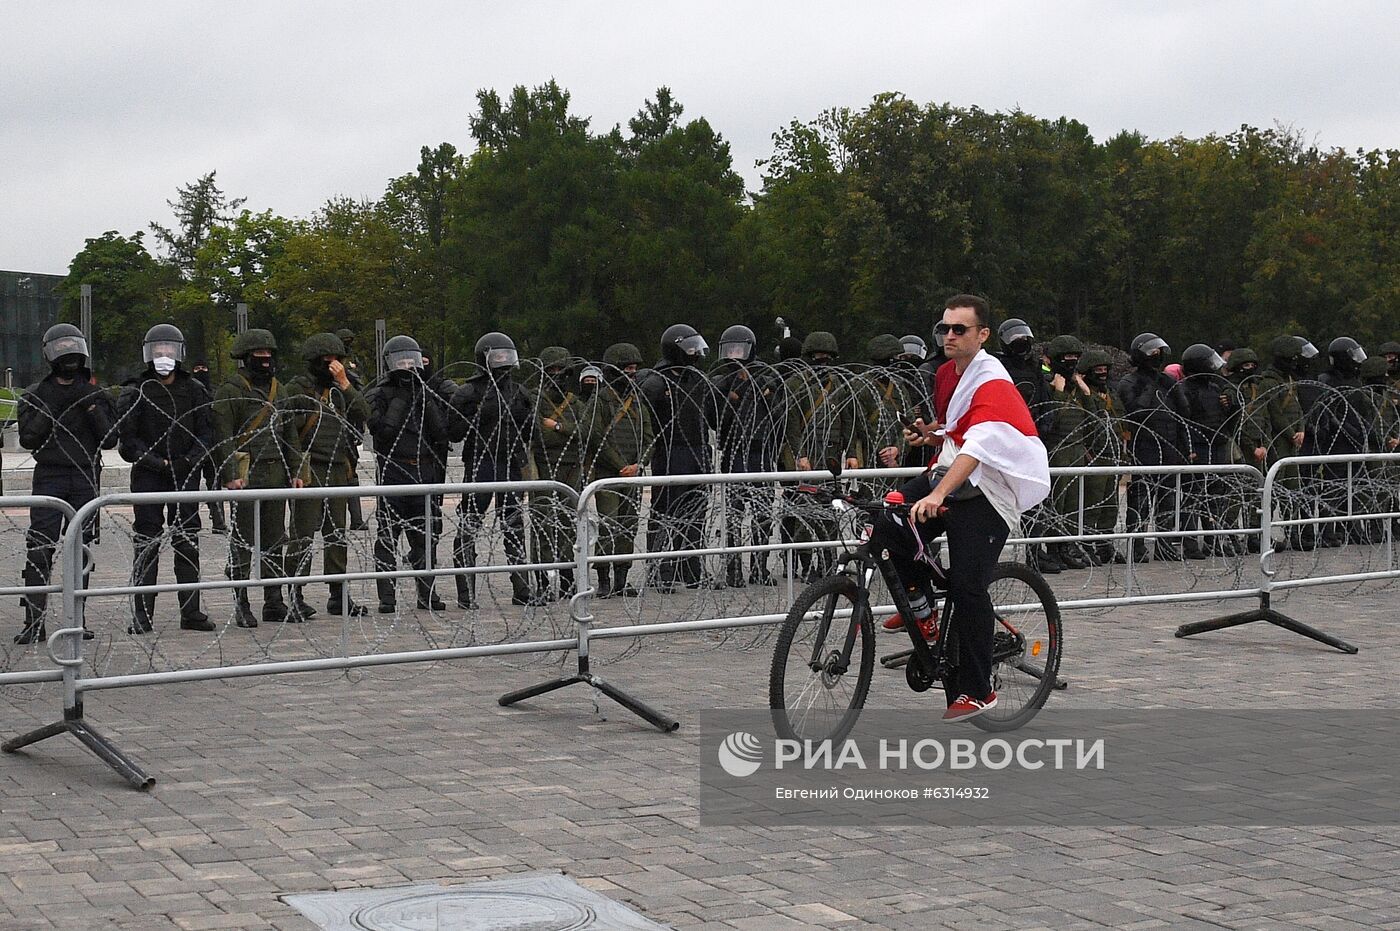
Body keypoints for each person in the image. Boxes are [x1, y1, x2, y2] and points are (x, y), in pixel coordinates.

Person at [881, 295, 1050, 722]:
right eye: (944, 328)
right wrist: (933, 436)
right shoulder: (945, 374)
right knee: (887, 522)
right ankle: (920, 606)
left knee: (968, 587)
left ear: (983, 334)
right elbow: (960, 430)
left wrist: (936, 496)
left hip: (989, 492)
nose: (949, 336)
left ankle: (979, 690)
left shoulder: (993, 379)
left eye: (960, 329)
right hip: (954, 472)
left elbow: (978, 447)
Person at [15, 324, 117, 644]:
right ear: (50, 353)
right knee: (40, 549)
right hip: (50, 475)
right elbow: (28, 437)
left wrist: (90, 408)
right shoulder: (37, 394)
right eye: (61, 347)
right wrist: (48, 411)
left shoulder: (93, 393)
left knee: (81, 551)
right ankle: (34, 621)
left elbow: (110, 438)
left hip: (84, 475)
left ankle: (77, 618)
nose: (67, 353)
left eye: (72, 345)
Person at [117, 324, 216, 634]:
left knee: (187, 540)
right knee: (146, 541)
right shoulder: (138, 389)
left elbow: (207, 432)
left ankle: (191, 612)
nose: (163, 356)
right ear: (149, 353)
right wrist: (153, 461)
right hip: (149, 475)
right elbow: (127, 439)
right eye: (157, 351)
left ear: (178, 353)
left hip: (185, 473)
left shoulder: (195, 389)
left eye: (168, 350)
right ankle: (143, 614)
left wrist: (189, 460)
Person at [213, 328, 306, 628]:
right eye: (259, 356)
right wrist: (230, 475)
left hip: (277, 472)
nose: (265, 361)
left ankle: (274, 601)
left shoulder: (280, 390)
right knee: (242, 541)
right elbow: (223, 436)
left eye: (269, 355)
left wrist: (298, 472)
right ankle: (241, 601)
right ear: (245, 358)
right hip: (246, 474)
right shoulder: (230, 391)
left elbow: (289, 433)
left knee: (274, 540)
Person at [449, 332, 540, 607]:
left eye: (505, 356)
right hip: (480, 464)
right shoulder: (470, 391)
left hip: (511, 464)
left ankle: (522, 590)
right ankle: (466, 593)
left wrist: (526, 418)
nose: (503, 361)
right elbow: (453, 432)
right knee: (470, 525)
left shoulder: (519, 392)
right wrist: (476, 414)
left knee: (513, 526)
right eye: (497, 356)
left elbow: (531, 432)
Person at [285, 332, 371, 617]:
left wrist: (346, 383)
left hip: (337, 467)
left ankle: (338, 592)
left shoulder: (342, 389)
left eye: (336, 361)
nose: (332, 366)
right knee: (303, 534)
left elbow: (364, 412)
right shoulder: (299, 389)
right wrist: (297, 467)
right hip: (310, 468)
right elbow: (289, 432)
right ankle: (295, 591)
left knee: (337, 535)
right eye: (327, 362)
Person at [367, 335, 449, 611]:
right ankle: (387, 597)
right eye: (401, 361)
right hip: (393, 471)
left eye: (410, 360)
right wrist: (401, 399)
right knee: (388, 536)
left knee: (425, 537)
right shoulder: (379, 394)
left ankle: (427, 593)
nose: (407, 366)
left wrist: (423, 395)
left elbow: (441, 433)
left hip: (423, 470)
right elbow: (383, 433)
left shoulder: (424, 391)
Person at [637, 324, 722, 591]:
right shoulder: (655, 381)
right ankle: (660, 568)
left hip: (698, 451)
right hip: (668, 452)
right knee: (664, 511)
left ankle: (691, 568)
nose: (695, 353)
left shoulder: (698, 379)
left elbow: (713, 416)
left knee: (696, 512)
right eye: (690, 348)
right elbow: (643, 421)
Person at [711, 324, 785, 587]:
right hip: (734, 452)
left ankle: (759, 567)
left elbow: (779, 414)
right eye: (730, 349)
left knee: (763, 512)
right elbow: (714, 418)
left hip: (761, 452)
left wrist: (756, 392)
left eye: (738, 349)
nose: (734, 354)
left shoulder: (767, 379)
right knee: (733, 512)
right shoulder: (721, 384)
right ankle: (733, 568)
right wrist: (734, 397)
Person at [583, 343, 653, 598]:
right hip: (608, 474)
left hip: (632, 474)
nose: (632, 374)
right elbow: (595, 436)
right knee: (609, 525)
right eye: (627, 369)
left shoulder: (637, 401)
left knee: (628, 526)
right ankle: (603, 578)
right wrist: (618, 465)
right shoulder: (600, 401)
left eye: (634, 370)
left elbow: (649, 436)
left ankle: (622, 578)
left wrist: (639, 464)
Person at [780, 331, 851, 582]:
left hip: (831, 456)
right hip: (807, 455)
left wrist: (851, 453)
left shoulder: (840, 384)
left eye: (826, 357)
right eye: (818, 357)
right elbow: (791, 423)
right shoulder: (796, 385)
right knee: (805, 514)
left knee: (831, 511)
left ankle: (829, 562)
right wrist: (800, 455)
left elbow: (847, 420)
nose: (822, 361)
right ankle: (807, 564)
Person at [1117, 332, 1192, 561]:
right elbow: (1135, 412)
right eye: (1151, 352)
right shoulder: (1129, 382)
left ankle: (1165, 544)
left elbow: (1183, 414)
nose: (1156, 356)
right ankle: (1137, 547)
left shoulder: (1167, 381)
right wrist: (1149, 387)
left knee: (1167, 499)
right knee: (1139, 500)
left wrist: (1185, 447)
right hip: (1145, 447)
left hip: (1169, 446)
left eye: (1159, 352)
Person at [1172, 344, 1244, 557]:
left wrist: (1233, 405)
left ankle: (1213, 541)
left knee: (1216, 497)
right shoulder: (1184, 390)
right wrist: (1189, 448)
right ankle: (1191, 543)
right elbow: (1182, 422)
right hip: (1198, 448)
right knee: (1193, 497)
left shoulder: (1216, 389)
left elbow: (1231, 420)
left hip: (1217, 446)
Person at [531, 346, 585, 599]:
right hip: (543, 467)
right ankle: (541, 580)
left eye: (561, 370)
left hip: (572, 468)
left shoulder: (576, 402)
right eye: (552, 370)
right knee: (541, 524)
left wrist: (558, 426)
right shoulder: (535, 399)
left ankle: (566, 578)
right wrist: (567, 432)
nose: (557, 375)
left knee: (567, 526)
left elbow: (586, 432)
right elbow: (540, 435)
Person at [1039, 335, 1094, 569]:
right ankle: (1052, 548)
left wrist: (1086, 392)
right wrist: (1059, 393)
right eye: (1067, 357)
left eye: (1075, 358)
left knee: (1072, 504)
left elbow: (1093, 420)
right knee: (1057, 503)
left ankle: (1065, 547)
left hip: (1076, 449)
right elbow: (1050, 419)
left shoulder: (1076, 387)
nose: (1071, 362)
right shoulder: (1047, 383)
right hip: (1056, 450)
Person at [1075, 349, 1126, 564]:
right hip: (1095, 454)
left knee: (1110, 504)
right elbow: (1089, 422)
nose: (1103, 373)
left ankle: (1105, 543)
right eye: (1098, 370)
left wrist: (1124, 447)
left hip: (1113, 454)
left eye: (1105, 369)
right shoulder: (1084, 395)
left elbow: (1122, 420)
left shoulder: (1111, 395)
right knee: (1093, 503)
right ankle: (1088, 542)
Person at [335, 328, 369, 531]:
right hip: (334, 425)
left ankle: (356, 518)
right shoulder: (333, 367)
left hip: (347, 427)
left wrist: (358, 427)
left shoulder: (349, 364)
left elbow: (358, 398)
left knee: (350, 473)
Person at [189, 361, 227, 533]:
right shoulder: (192, 391)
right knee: (192, 484)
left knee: (214, 484)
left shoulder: (214, 392)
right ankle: (190, 521)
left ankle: (218, 521)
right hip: (194, 445)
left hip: (212, 445)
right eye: (197, 369)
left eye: (203, 368)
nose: (201, 371)